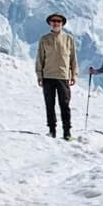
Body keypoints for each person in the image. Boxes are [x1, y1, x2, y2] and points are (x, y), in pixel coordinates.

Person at [35, 12, 77, 140]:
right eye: (53, 21)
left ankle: (67, 132)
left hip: (63, 76)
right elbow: (40, 58)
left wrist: (74, 74)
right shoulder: (44, 39)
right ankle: (52, 130)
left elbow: (73, 58)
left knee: (65, 104)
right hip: (48, 76)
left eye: (58, 21)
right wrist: (39, 75)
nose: (56, 23)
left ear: (62, 24)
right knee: (50, 104)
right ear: (50, 23)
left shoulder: (69, 39)